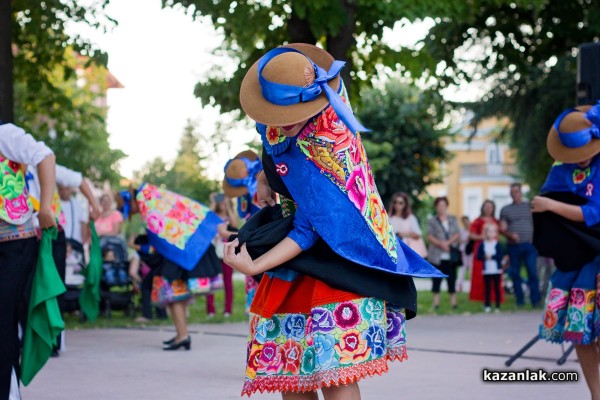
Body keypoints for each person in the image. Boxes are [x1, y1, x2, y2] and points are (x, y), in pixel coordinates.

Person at [225, 43, 443, 399]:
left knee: (335, 375)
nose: (281, 122)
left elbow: (306, 231)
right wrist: (267, 175)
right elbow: (269, 135)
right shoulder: (284, 113)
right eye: (275, 113)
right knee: (289, 375)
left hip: (344, 255)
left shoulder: (328, 150)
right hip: (296, 263)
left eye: (289, 113)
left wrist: (255, 266)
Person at [532, 104, 600, 400]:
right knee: (579, 334)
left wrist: (551, 206)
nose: (581, 159)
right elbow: (544, 210)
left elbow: (594, 213)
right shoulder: (560, 172)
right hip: (574, 262)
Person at [118, 183, 222, 350]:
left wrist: (136, 246)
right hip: (177, 254)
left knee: (174, 297)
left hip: (177, 257)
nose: (130, 213)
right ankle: (181, 334)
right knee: (173, 298)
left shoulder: (150, 207)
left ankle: (183, 336)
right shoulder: (154, 203)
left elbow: (158, 241)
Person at [0, 123, 56, 400]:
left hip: (13, 243)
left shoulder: (4, 133)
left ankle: (8, 392)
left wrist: (45, 207)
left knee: (2, 320)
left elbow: (45, 156)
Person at [221, 150, 263, 314]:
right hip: (252, 236)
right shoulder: (245, 197)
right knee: (252, 270)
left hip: (263, 234)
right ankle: (255, 305)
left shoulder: (264, 186)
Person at [500, 182, 541, 307]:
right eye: (512, 192)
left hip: (529, 245)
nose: (515, 194)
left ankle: (535, 300)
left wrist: (535, 238)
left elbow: (538, 223)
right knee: (515, 273)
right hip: (513, 246)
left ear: (521, 192)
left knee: (532, 272)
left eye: (517, 192)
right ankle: (520, 300)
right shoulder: (505, 209)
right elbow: (502, 228)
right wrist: (510, 235)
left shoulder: (529, 206)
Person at [206, 192, 238, 318]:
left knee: (228, 281)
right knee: (211, 281)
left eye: (223, 200)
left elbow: (235, 225)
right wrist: (213, 202)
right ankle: (210, 311)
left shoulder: (230, 217)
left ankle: (227, 310)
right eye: (220, 201)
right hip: (213, 252)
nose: (222, 202)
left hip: (226, 251)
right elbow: (207, 220)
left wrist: (228, 205)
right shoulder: (213, 216)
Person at [426, 196, 461, 310]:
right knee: (436, 279)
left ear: (447, 206)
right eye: (439, 205)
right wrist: (441, 244)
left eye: (443, 205)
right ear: (436, 207)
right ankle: (436, 302)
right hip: (437, 255)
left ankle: (453, 302)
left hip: (450, 254)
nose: (441, 207)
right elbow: (429, 236)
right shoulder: (432, 220)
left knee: (452, 278)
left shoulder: (452, 219)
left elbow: (457, 233)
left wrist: (448, 243)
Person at [468, 199, 503, 305]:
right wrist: (481, 237)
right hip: (481, 248)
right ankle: (479, 296)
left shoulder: (496, 221)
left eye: (490, 207)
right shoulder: (477, 221)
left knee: (495, 271)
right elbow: (471, 235)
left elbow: (500, 233)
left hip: (494, 248)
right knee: (480, 273)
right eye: (486, 206)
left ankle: (494, 297)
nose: (488, 209)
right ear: (483, 208)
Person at [476, 223, 506, 313]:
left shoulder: (497, 244)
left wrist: (491, 257)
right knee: (487, 289)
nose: (491, 233)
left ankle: (497, 306)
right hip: (487, 271)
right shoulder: (483, 244)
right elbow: (478, 256)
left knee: (497, 288)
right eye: (489, 231)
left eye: (493, 231)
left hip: (496, 270)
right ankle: (487, 305)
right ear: (486, 233)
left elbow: (500, 256)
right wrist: (485, 257)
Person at [388, 192, 427, 258]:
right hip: (394, 251)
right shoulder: (389, 218)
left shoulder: (410, 218)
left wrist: (402, 234)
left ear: (405, 204)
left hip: (409, 251)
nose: (397, 205)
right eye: (395, 202)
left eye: (401, 203)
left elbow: (418, 234)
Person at [456, 215, 472, 292]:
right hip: (463, 251)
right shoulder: (461, 230)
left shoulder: (472, 230)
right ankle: (459, 286)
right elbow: (458, 241)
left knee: (472, 269)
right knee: (462, 269)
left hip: (471, 251)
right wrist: (466, 240)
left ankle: (472, 286)